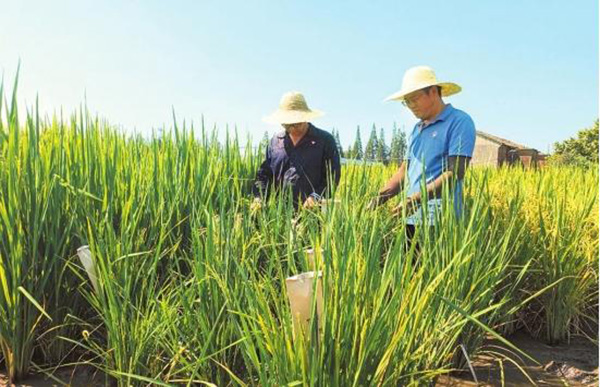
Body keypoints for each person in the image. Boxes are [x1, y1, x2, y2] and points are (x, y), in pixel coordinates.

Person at [370, 66, 476, 238]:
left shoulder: (459, 121)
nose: (411, 106)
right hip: (411, 216)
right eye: (407, 102)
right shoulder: (417, 129)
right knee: (409, 264)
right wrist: (378, 199)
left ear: (433, 91)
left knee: (434, 265)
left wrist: (418, 199)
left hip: (441, 219)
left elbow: (456, 171)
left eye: (414, 99)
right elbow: (404, 171)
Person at [252, 91, 341, 210]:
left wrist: (315, 197)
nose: (292, 128)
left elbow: (332, 177)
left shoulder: (324, 140)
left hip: (312, 215)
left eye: (296, 124)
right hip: (278, 215)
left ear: (305, 118)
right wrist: (259, 197)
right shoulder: (275, 142)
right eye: (287, 125)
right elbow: (264, 175)